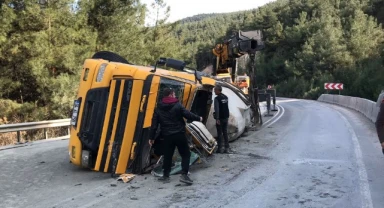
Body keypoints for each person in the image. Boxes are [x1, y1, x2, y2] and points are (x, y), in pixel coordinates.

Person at [149, 88, 202, 185]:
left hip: (167, 136)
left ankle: (165, 176)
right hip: (179, 134)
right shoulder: (177, 105)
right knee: (186, 154)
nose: (174, 95)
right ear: (170, 94)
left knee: (168, 155)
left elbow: (154, 125)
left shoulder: (158, 108)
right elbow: (188, 115)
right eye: (173, 93)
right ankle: (184, 175)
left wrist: (151, 138)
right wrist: (199, 118)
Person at [213, 85, 230, 153]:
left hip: (220, 118)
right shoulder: (225, 97)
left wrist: (217, 118)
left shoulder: (217, 98)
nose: (214, 91)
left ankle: (220, 148)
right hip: (226, 117)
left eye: (215, 90)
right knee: (225, 132)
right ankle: (227, 147)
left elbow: (217, 109)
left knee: (219, 133)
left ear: (218, 90)